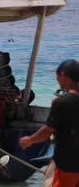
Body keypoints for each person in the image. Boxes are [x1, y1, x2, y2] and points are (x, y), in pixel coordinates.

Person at [19, 59, 79, 187]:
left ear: (63, 75)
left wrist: (29, 140)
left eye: (57, 75)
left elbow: (47, 131)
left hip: (68, 163)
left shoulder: (62, 102)